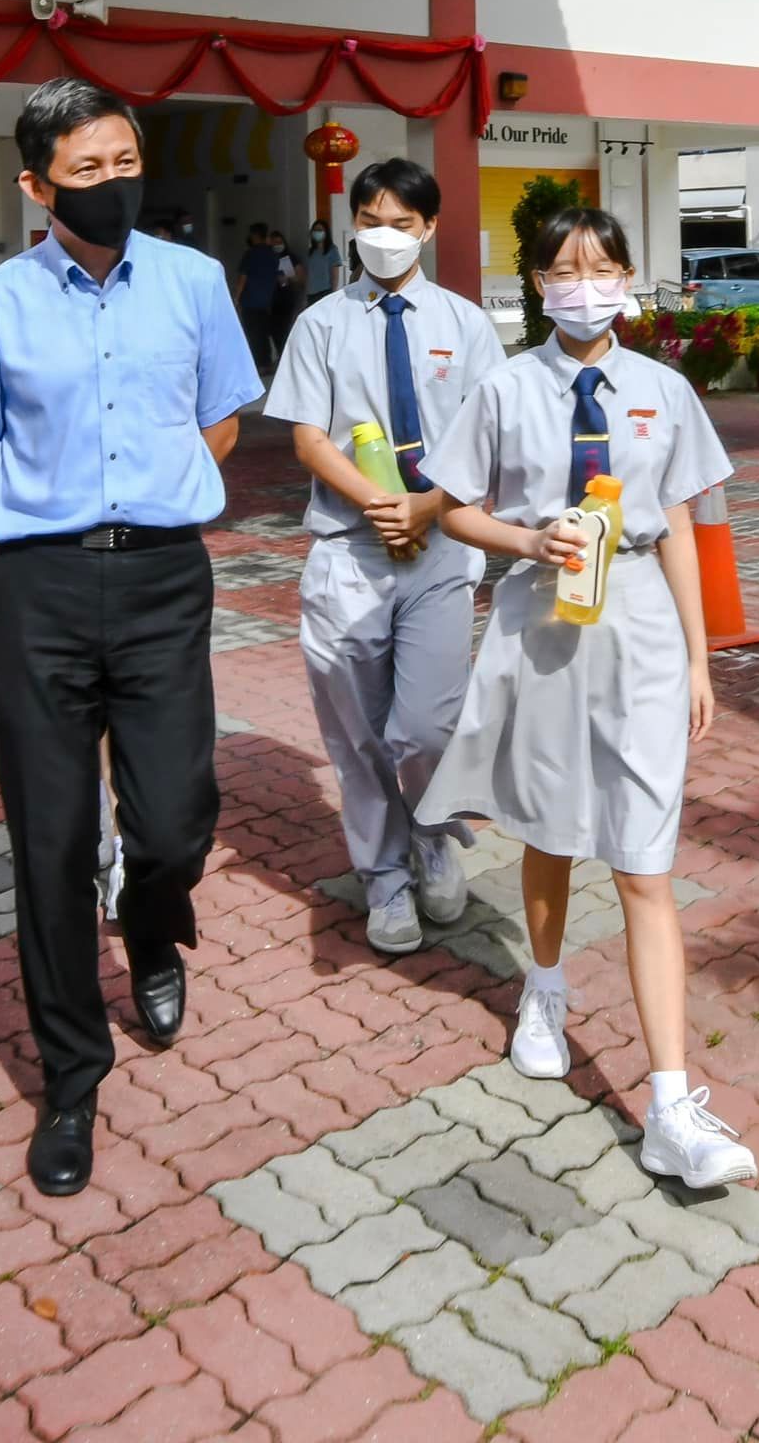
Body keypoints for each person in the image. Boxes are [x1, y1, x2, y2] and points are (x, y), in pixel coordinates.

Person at [0, 76, 262, 1198]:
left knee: (173, 816)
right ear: (35, 185)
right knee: (49, 843)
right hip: (42, 585)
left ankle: (152, 918)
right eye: (87, 170)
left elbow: (220, 413)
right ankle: (71, 1078)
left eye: (126, 163)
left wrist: (164, 483)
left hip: (166, 575)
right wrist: (56, 495)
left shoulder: (195, 281)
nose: (114, 184)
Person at [413, 207, 757, 1190]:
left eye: (600, 266)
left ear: (627, 276)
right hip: (540, 620)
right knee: (552, 827)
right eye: (562, 269)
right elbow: (452, 504)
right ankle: (544, 990)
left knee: (644, 859)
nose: (582, 283)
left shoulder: (662, 389)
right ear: (533, 281)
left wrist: (697, 658)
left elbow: (682, 523)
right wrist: (527, 542)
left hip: (640, 622)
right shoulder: (504, 387)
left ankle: (668, 1103)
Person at [265, 159, 505, 956]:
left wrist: (427, 507)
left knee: (430, 722)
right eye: (370, 219)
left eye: (401, 222)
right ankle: (385, 876)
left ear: (429, 229)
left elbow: (489, 441)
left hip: (438, 550)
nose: (384, 235)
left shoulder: (467, 327)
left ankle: (434, 831)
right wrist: (377, 505)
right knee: (358, 732)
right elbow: (306, 435)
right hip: (349, 552)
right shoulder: (322, 324)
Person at [233, 223, 280, 371]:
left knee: (252, 334)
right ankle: (266, 364)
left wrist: (235, 298)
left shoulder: (250, 254)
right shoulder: (273, 254)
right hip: (267, 300)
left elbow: (242, 279)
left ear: (254, 235)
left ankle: (256, 365)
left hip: (250, 301)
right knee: (264, 334)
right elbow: (280, 276)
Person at [268, 230, 301, 358]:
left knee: (284, 329)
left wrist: (288, 277)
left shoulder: (290, 258)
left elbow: (300, 278)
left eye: (279, 242)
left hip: (286, 298)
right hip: (270, 299)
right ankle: (280, 355)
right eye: (274, 242)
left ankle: (285, 357)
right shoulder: (268, 258)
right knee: (273, 329)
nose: (277, 245)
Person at [303, 219, 343, 305]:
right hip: (310, 294)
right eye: (315, 230)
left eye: (320, 230)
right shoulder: (310, 252)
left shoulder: (332, 250)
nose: (317, 232)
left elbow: (335, 276)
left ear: (326, 233)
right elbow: (308, 274)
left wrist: (333, 295)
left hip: (325, 292)